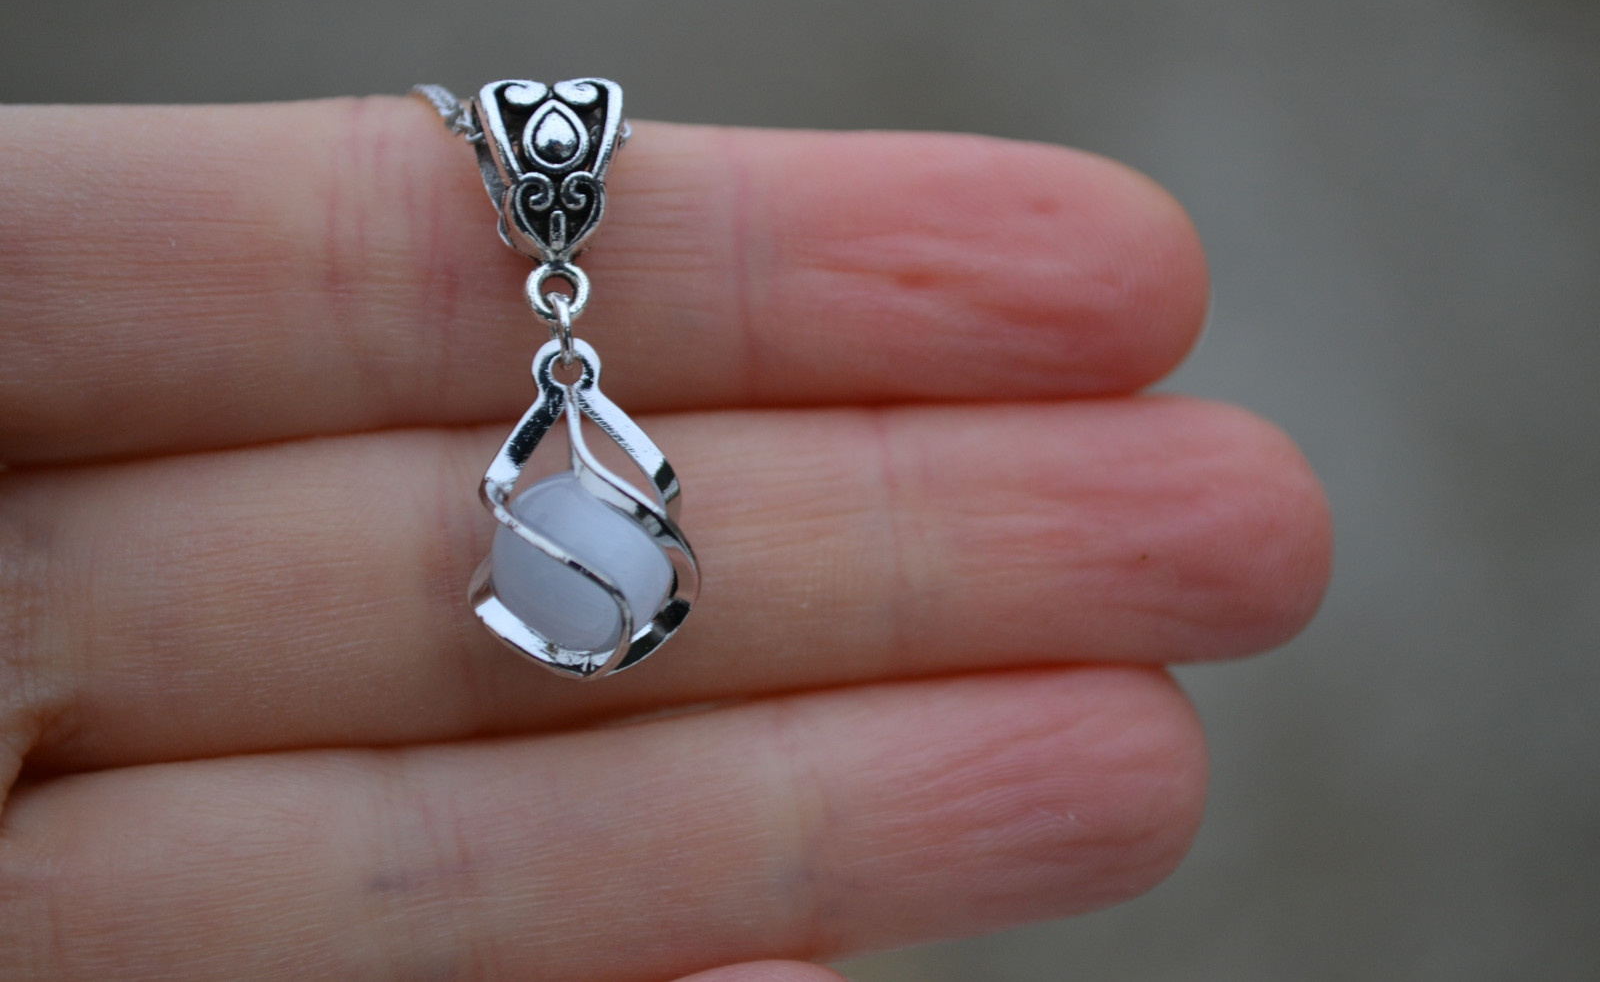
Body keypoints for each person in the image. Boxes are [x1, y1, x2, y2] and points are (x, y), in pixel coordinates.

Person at [0, 95, 1331, 981]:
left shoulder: (575, 448)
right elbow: (553, 482)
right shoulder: (551, 464)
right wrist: (586, 458)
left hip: (588, 551)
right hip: (570, 553)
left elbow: (615, 477)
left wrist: (605, 456)